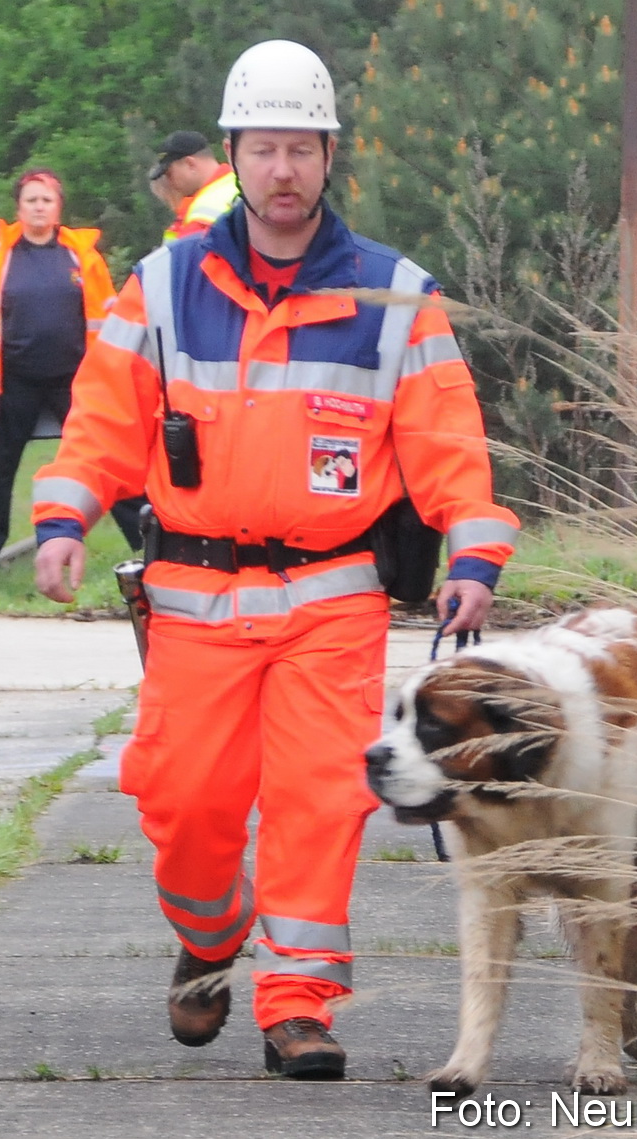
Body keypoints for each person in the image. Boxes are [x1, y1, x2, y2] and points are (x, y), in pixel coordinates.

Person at [31, 40, 519, 1079]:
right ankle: (210, 938)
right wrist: (64, 519)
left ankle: (296, 999)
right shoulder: (160, 287)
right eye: (263, 149)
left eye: (301, 148)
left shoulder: (395, 297)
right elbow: (100, 422)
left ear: (329, 155)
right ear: (231, 158)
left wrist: (472, 551)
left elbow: (446, 442)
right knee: (183, 799)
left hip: (331, 596)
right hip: (194, 596)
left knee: (318, 798)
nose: (283, 169)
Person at [0, 169, 141, 565]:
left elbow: (111, 316)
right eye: (31, 200)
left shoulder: (82, 257)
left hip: (75, 380)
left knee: (107, 455)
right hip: (12, 381)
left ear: (59, 207)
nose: (38, 207)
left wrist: (111, 373)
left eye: (46, 200)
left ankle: (147, 543)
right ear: (18, 208)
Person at [151, 129, 238, 240]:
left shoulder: (202, 212)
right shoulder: (240, 182)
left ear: (190, 164)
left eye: (169, 174)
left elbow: (188, 255)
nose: (170, 182)